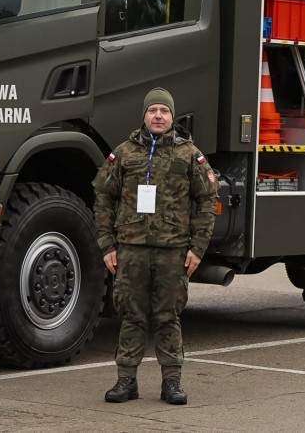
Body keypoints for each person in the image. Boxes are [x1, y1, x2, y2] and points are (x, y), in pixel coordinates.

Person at [93, 87, 218, 406]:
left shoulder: (189, 154)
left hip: (173, 251)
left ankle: (171, 382)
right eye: (153, 110)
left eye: (164, 111)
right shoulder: (124, 153)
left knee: (167, 317)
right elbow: (104, 197)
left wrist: (197, 248)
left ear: (173, 117)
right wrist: (107, 245)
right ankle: (126, 381)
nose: (158, 116)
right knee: (131, 316)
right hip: (130, 249)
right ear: (144, 115)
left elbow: (208, 200)